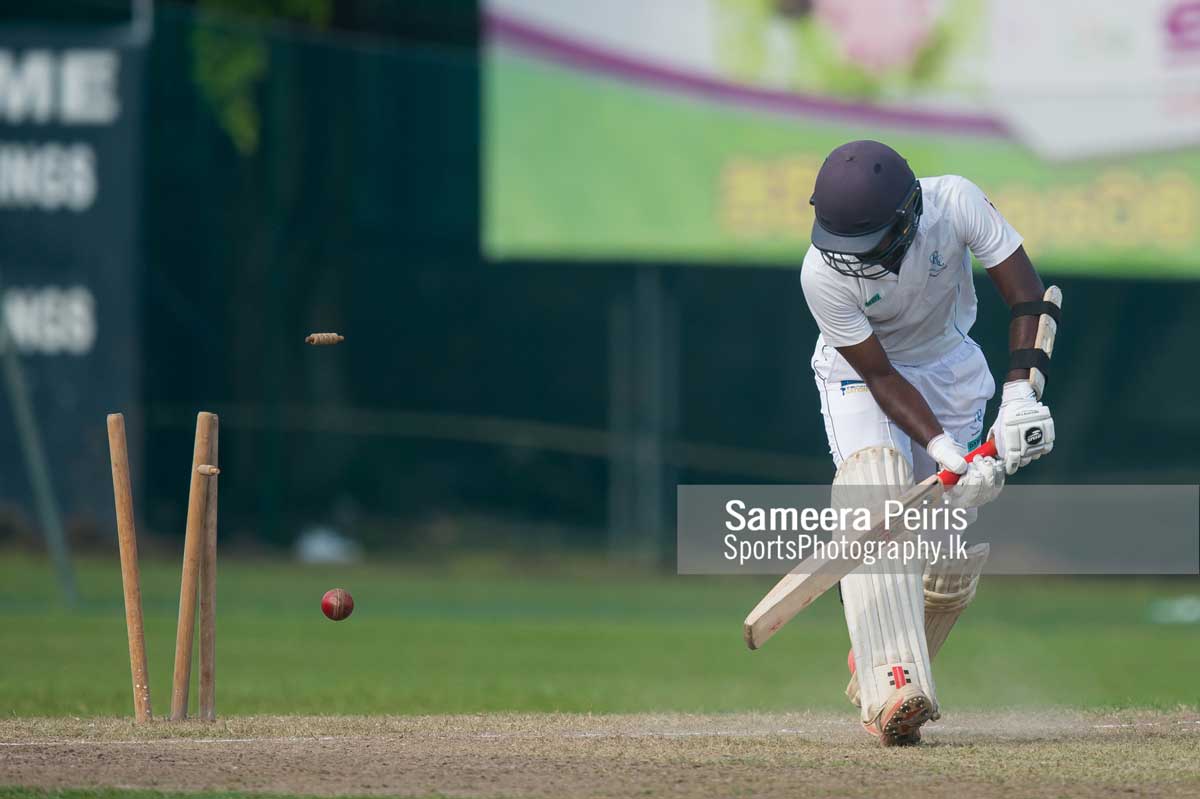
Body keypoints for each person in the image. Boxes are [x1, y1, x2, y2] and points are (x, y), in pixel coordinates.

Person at [800, 140, 1055, 745]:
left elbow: (1028, 295)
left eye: (869, 246)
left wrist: (1020, 396)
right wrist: (942, 449)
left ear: (908, 214)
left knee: (944, 557)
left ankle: (874, 654)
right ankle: (893, 685)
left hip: (949, 369)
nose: (855, 263)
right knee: (875, 491)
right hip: (861, 377)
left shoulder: (956, 203)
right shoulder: (821, 273)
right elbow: (881, 376)